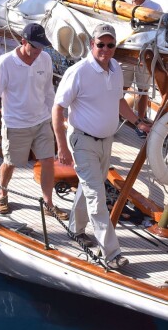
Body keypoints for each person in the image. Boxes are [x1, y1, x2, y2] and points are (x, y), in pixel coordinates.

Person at [53, 24, 150, 270]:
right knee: (97, 195)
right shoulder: (78, 72)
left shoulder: (116, 68)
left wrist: (138, 121)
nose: (105, 50)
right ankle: (112, 253)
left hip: (107, 141)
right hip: (82, 141)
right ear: (91, 45)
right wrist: (62, 146)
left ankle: (75, 229)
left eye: (110, 45)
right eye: (100, 44)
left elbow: (119, 101)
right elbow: (58, 108)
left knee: (89, 189)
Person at [0, 23, 67, 219]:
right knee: (10, 162)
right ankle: (2, 192)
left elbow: (48, 92)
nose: (39, 51)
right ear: (23, 41)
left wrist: (56, 117)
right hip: (15, 124)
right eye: (35, 46)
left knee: (47, 161)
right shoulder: (5, 62)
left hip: (41, 120)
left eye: (42, 47)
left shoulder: (45, 59)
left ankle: (48, 203)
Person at [123, 0, 162, 135]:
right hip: (125, 54)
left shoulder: (154, 8)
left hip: (144, 56)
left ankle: (141, 120)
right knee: (120, 88)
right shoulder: (124, 7)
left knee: (143, 90)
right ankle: (113, 115)